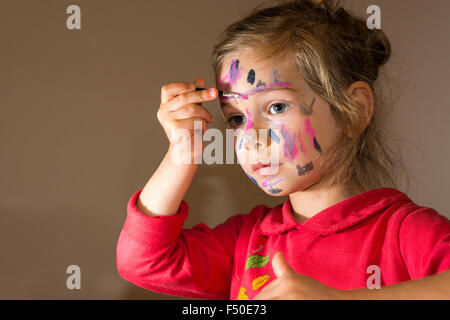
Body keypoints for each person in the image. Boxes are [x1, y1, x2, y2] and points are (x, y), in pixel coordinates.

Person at [116, 0, 450, 299]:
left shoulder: (404, 233)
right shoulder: (246, 241)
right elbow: (142, 262)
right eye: (235, 119)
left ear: (355, 110)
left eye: (276, 107)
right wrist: (181, 152)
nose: (251, 137)